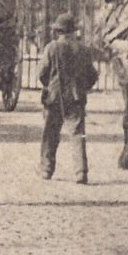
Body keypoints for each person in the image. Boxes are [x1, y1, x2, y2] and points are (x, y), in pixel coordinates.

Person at [38, 12, 98, 183]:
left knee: (50, 134)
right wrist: (83, 88)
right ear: (73, 31)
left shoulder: (51, 48)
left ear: (58, 31)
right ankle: (81, 172)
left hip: (55, 97)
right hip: (76, 97)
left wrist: (50, 85)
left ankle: (46, 169)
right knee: (78, 134)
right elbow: (92, 76)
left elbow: (42, 73)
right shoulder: (83, 50)